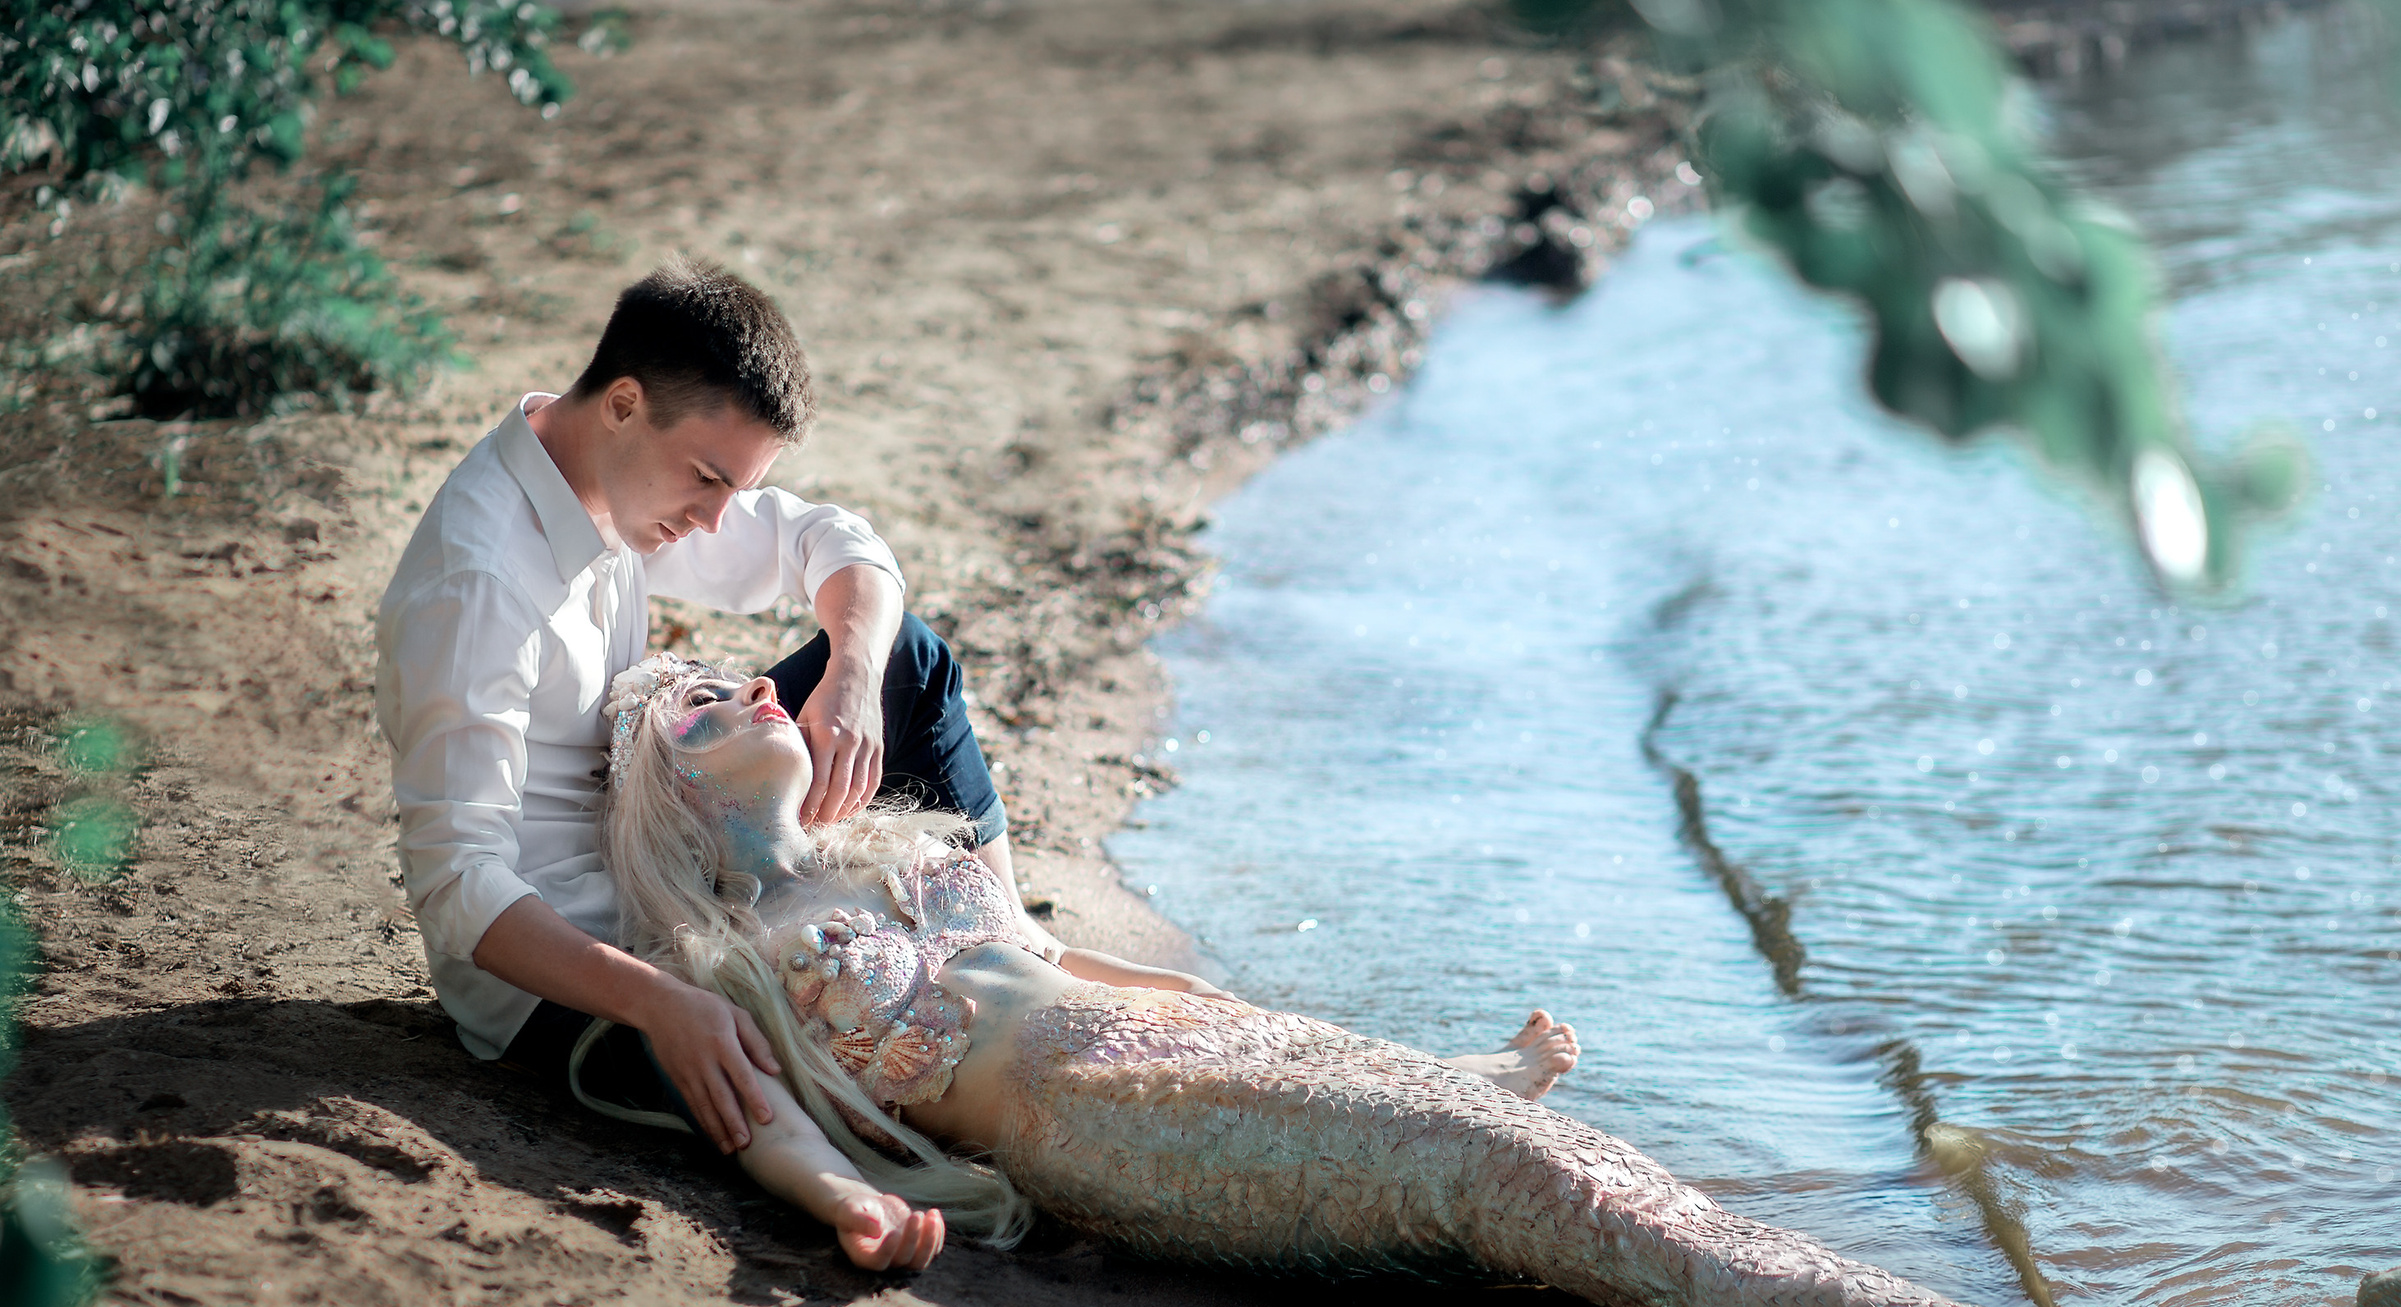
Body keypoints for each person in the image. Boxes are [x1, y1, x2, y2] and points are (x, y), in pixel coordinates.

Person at [593, 655, 2401, 1307]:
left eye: (744, 673)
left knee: (1562, 1169)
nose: (741, 689)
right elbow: (765, 1127)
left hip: (1191, 1056)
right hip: (1102, 1128)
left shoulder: (914, 860)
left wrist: (1436, 1054)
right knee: (1528, 1193)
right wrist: (852, 1209)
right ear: (665, 796)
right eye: (694, 699)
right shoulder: (739, 965)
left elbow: (1111, 963)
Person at [374, 261, 1576, 1181]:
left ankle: (1021, 943)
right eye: (707, 482)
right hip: (581, 983)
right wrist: (659, 999)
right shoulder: (482, 577)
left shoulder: (617, 474)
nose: (714, 517)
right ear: (625, 404)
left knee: (911, 658)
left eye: (731, 488)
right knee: (984, 1061)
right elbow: (461, 886)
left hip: (670, 870)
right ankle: (1374, 1117)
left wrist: (848, 671)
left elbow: (832, 541)